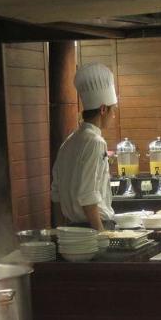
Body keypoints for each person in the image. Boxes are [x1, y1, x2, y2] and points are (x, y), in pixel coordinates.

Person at [50, 62, 117, 231]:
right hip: (94, 228)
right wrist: (101, 235)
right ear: (103, 109)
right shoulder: (95, 142)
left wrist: (60, 231)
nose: (114, 116)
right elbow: (88, 196)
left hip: (73, 229)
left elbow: (56, 194)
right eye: (112, 110)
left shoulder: (69, 141)